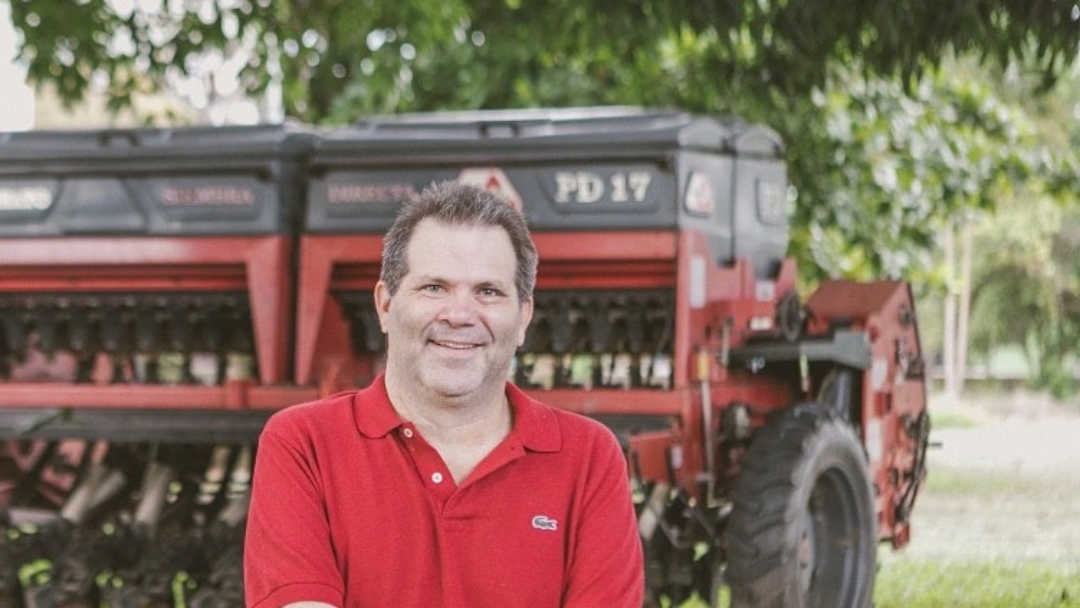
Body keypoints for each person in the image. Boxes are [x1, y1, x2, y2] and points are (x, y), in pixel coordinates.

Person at [243, 181, 645, 608]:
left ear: (523, 316)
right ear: (385, 305)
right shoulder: (305, 443)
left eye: (488, 292)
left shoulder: (589, 457)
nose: (459, 315)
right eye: (434, 287)